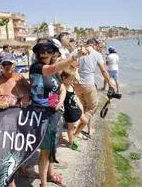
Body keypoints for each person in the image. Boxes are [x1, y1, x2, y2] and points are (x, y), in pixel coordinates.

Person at [29, 38, 86, 187]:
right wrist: (75, 56)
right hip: (42, 116)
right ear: (37, 54)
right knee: (45, 152)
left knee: (52, 148)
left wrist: (59, 103)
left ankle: (51, 174)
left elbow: (61, 88)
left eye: (49, 50)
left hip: (54, 115)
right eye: (41, 50)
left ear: (54, 53)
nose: (45, 53)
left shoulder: (53, 69)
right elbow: (52, 70)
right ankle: (43, 184)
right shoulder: (37, 67)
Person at [0, 55, 32, 187]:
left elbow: (29, 93)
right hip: (3, 120)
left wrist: (26, 97)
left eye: (10, 64)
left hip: (19, 118)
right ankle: (9, 178)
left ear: (14, 65)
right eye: (4, 65)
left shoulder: (20, 78)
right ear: (0, 66)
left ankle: (21, 168)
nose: (8, 67)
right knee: (7, 147)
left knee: (20, 143)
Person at [75, 38, 115, 138]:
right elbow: (104, 71)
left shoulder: (77, 51)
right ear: (95, 44)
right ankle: (77, 132)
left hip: (76, 84)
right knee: (92, 108)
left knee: (85, 107)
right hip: (88, 84)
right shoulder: (96, 54)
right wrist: (110, 84)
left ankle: (88, 129)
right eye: (97, 45)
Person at [60, 70, 88, 149]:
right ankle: (71, 143)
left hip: (76, 108)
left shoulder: (71, 85)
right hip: (69, 112)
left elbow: (75, 97)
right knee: (70, 128)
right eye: (70, 79)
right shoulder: (62, 87)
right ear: (63, 78)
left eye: (72, 79)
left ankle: (75, 136)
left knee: (85, 121)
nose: (72, 81)